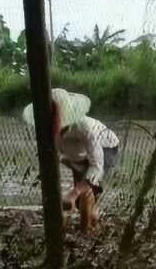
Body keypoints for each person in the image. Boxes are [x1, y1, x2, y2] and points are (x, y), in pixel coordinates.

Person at [22, 88, 120, 232]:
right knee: (81, 200)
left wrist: (73, 193)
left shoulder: (85, 128)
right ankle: (92, 226)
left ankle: (85, 233)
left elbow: (96, 167)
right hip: (77, 156)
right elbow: (53, 153)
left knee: (85, 192)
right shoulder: (46, 128)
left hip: (105, 148)